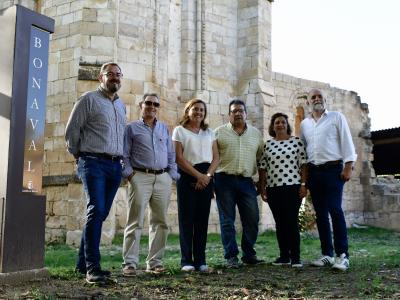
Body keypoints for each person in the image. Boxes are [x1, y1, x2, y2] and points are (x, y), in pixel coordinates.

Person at [65, 62, 126, 284]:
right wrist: (78, 155)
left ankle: (83, 264)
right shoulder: (88, 100)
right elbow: (72, 131)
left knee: (100, 214)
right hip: (92, 162)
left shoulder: (121, 105)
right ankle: (93, 268)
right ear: (101, 77)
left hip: (113, 166)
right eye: (110, 74)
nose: (115, 78)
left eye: (118, 75)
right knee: (96, 210)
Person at [121, 93, 178, 276]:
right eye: (148, 103)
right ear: (141, 104)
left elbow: (171, 154)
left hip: (162, 178)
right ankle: (130, 263)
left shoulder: (164, 128)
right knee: (135, 221)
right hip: (140, 176)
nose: (152, 106)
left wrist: (171, 175)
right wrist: (130, 174)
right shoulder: (131, 128)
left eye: (155, 104)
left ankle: (155, 262)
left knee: (160, 222)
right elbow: (124, 154)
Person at [300, 88, 357, 271]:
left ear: (325, 100)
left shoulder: (336, 117)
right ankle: (327, 254)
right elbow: (304, 149)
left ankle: (343, 255)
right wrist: (305, 176)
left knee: (335, 209)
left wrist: (348, 166)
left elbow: (347, 141)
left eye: (320, 97)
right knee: (321, 214)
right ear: (308, 102)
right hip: (314, 172)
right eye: (313, 97)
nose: (317, 99)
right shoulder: (305, 124)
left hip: (333, 170)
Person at [214, 99, 265, 268]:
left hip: (246, 181)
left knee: (252, 218)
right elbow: (212, 158)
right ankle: (231, 256)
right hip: (223, 180)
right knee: (227, 220)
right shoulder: (218, 132)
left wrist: (261, 183)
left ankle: (249, 254)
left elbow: (261, 159)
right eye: (234, 111)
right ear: (229, 114)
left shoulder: (256, 134)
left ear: (245, 113)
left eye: (240, 110)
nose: (237, 113)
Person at [172, 99, 219, 272]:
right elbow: (179, 158)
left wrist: (207, 176)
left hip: (206, 176)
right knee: (186, 219)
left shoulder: (209, 133)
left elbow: (216, 158)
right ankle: (186, 261)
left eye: (201, 110)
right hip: (187, 176)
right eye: (195, 109)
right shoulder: (179, 131)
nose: (198, 112)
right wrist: (198, 175)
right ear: (188, 111)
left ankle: (200, 260)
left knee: (201, 220)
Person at [258, 113, 307, 268]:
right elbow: (263, 168)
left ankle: (296, 257)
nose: (280, 125)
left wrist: (304, 184)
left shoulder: (296, 142)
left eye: (283, 122)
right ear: (273, 126)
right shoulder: (268, 145)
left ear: (287, 125)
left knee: (291, 221)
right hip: (273, 189)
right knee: (280, 223)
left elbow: (304, 164)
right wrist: (262, 187)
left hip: (293, 187)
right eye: (277, 122)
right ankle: (284, 256)